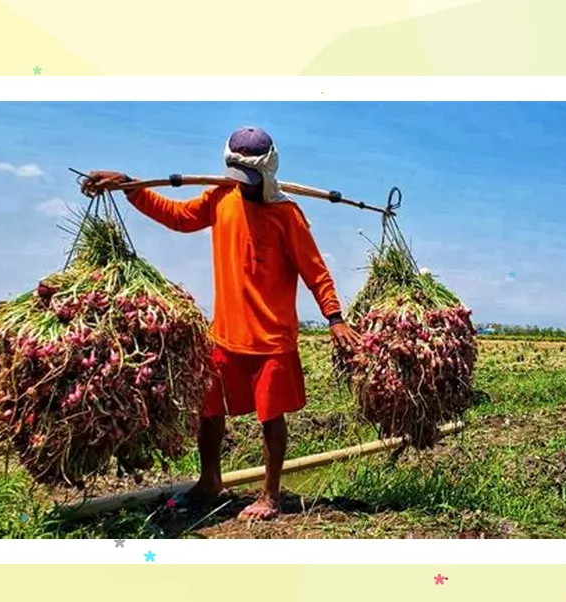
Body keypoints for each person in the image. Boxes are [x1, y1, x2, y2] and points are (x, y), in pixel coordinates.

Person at [82, 126, 363, 521]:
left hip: (272, 339)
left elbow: (316, 273)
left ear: (267, 172)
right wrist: (132, 187)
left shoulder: (287, 215)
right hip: (226, 335)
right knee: (209, 411)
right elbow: (179, 217)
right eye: (237, 178)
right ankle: (210, 479)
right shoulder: (220, 197)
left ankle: (270, 494)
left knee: (271, 418)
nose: (242, 187)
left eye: (250, 181)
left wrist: (335, 319)